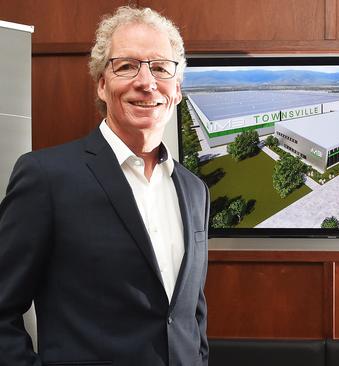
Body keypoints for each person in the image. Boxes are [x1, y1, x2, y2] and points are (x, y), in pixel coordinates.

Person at [0, 6, 209, 366]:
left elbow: (191, 316)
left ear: (176, 88)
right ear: (101, 83)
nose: (147, 83)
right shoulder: (46, 178)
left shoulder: (194, 190)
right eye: (127, 65)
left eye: (160, 67)